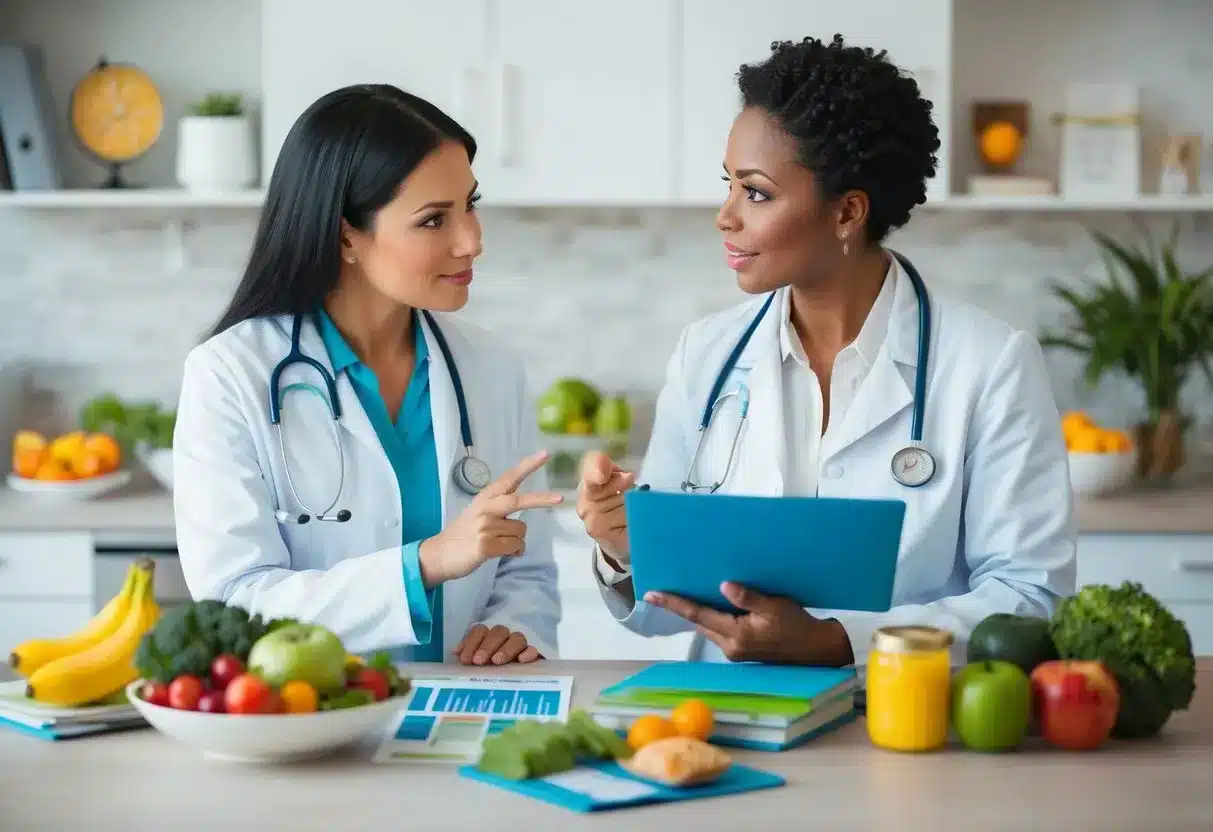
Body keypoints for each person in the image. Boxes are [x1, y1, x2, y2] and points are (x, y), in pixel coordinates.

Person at [575, 35, 1076, 667]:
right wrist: (624, 547)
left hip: (904, 728)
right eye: (727, 185)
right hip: (730, 722)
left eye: (755, 192)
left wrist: (838, 642)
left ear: (847, 212)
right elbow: (665, 602)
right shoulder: (706, 354)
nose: (724, 216)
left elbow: (1031, 600)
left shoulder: (989, 365)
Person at [173, 84, 563, 665]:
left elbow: (525, 571)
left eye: (470, 206)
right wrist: (425, 564)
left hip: (468, 710)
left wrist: (513, 626)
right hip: (319, 722)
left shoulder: (492, 369)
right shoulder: (230, 374)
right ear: (346, 236)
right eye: (434, 221)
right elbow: (235, 603)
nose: (472, 241)